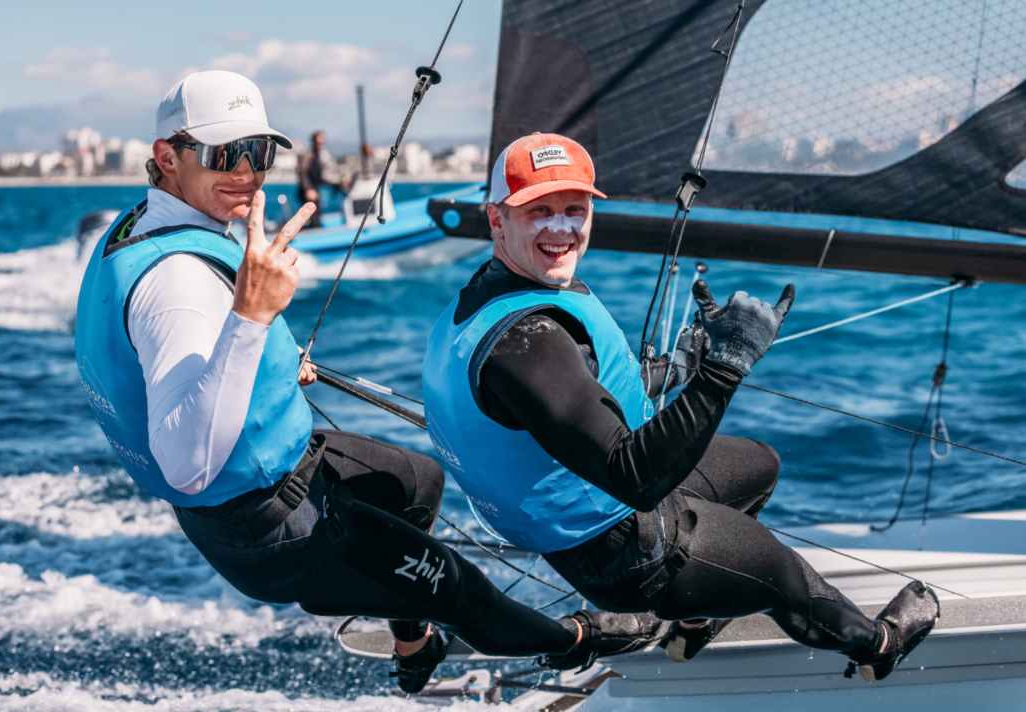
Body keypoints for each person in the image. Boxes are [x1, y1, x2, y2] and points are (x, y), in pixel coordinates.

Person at [74, 74, 670, 695]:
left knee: (416, 482)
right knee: (462, 591)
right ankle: (580, 640)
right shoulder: (177, 283)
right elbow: (186, 466)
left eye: (260, 152)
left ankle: (410, 645)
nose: (247, 172)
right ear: (167, 156)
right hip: (265, 527)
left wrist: (266, 358)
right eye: (225, 154)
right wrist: (252, 318)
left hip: (287, 473)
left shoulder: (142, 225)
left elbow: (182, 358)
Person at [422, 132, 940, 681]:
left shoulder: (494, 295)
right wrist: (726, 367)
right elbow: (634, 479)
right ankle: (877, 647)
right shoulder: (527, 343)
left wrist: (683, 367)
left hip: (593, 504)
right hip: (620, 552)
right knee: (781, 572)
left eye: (574, 210)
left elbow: (578, 397)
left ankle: (693, 619)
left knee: (760, 465)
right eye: (539, 212)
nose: (562, 228)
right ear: (497, 218)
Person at [296, 130, 341, 227]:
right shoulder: (308, 155)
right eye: (318, 142)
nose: (320, 144)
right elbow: (302, 172)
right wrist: (308, 189)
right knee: (311, 218)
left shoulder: (319, 156)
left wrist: (336, 183)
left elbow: (320, 176)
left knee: (317, 217)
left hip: (316, 190)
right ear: (313, 141)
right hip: (308, 192)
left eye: (322, 142)